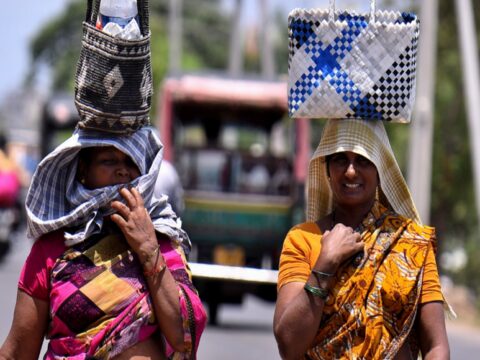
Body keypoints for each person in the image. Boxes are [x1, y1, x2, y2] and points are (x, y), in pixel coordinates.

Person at [0, 127, 207, 359]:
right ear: (83, 171)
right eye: (108, 161)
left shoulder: (160, 241)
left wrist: (148, 250)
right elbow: (18, 352)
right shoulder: (53, 248)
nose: (122, 171)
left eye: (131, 162)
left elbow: (184, 335)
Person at [274, 119, 450, 359]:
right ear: (327, 169)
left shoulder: (411, 244)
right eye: (340, 160)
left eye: (363, 161)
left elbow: (436, 346)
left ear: (380, 171)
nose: (350, 171)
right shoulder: (303, 239)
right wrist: (325, 264)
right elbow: (288, 344)